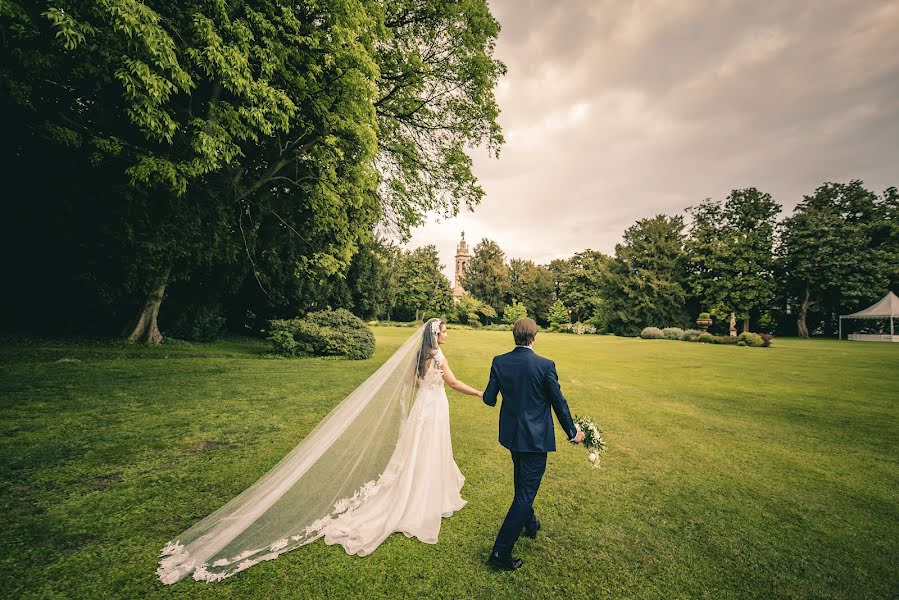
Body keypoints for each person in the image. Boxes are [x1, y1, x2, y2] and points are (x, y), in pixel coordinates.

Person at [158, 318, 482, 583]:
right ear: (436, 334)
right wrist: (480, 393)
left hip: (423, 407)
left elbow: (411, 383)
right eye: (445, 330)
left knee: (416, 450)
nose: (447, 334)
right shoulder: (438, 357)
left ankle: (415, 484)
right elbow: (453, 384)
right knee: (427, 449)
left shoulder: (420, 357)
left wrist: (427, 388)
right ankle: (421, 492)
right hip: (435, 407)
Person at [482, 317, 584, 571]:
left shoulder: (499, 361)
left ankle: (531, 523)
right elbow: (559, 403)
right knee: (526, 492)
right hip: (535, 440)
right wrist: (573, 431)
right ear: (534, 337)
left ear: (514, 336)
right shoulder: (545, 366)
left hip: (512, 437)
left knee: (522, 484)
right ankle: (500, 552)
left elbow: (489, 399)